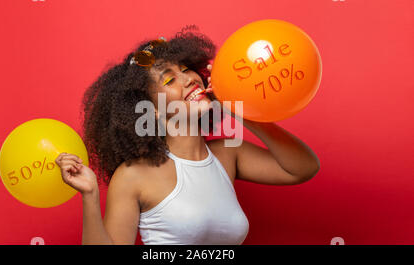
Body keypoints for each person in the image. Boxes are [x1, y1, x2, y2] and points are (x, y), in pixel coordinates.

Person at [54, 25, 320, 245]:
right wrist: (89, 196)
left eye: (185, 70)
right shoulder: (133, 175)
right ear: (151, 111)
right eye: (169, 80)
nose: (188, 80)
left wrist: (239, 105)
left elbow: (303, 168)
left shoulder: (228, 154)